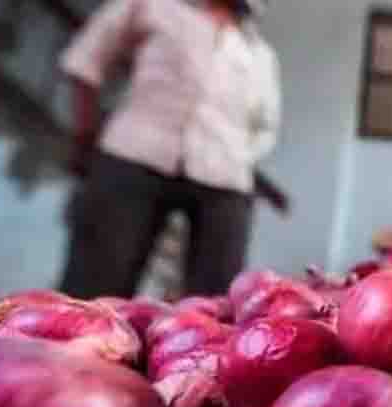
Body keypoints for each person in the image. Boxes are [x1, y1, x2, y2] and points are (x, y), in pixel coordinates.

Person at [58, 0, 281, 299]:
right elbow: (86, 60)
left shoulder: (260, 55)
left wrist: (239, 156)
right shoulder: (150, 7)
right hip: (135, 154)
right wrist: (86, 134)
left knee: (218, 302)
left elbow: (265, 126)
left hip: (225, 177)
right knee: (94, 286)